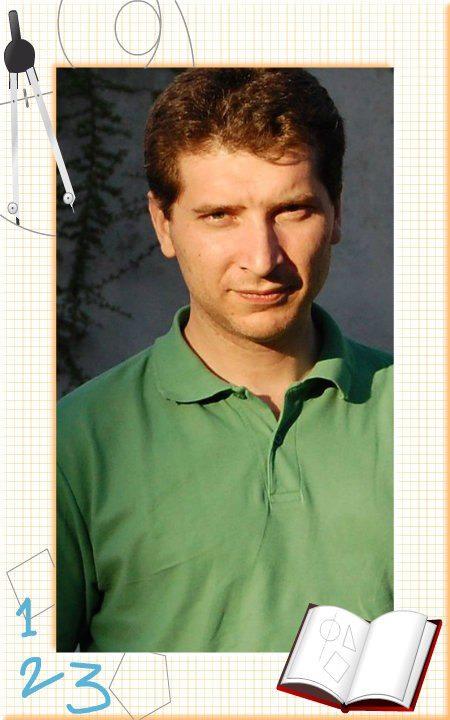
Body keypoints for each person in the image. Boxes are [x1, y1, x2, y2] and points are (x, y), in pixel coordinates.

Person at [57, 68, 393, 652]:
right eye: (220, 215)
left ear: (336, 211)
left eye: (292, 210)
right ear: (164, 225)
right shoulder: (72, 446)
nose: (262, 259)